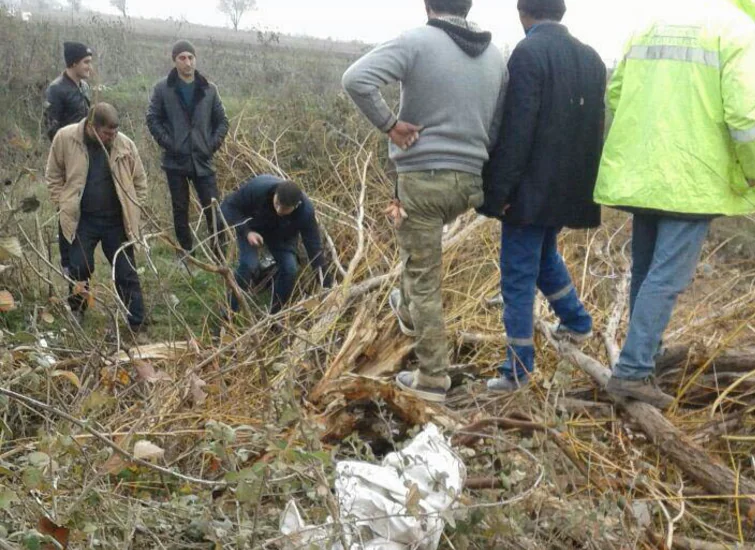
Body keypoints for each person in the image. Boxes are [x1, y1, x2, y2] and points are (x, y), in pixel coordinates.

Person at [596, 0, 755, 409]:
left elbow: (616, 94)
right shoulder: (735, 28)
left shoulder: (652, 21)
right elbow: (746, 115)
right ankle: (633, 370)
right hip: (692, 176)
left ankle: (645, 354)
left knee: (646, 271)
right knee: (667, 277)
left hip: (644, 171)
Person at [343, 0, 508, 403]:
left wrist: (389, 125)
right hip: (469, 182)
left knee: (424, 279)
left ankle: (433, 378)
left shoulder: (417, 41)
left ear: (427, 4)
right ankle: (407, 310)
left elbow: (355, 79)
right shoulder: (495, 55)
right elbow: (498, 123)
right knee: (416, 262)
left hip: (423, 179)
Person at [479, 0, 606, 393]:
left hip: (529, 191)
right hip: (567, 189)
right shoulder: (592, 59)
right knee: (545, 256)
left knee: (517, 278)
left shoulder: (529, 52)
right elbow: (594, 131)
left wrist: (498, 192)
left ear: (523, 13)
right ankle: (577, 323)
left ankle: (516, 371)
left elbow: (518, 130)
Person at [46, 103, 148, 342]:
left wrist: (134, 206)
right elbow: (53, 174)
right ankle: (78, 310)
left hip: (116, 221)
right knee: (79, 268)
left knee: (126, 272)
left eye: (114, 133)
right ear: (92, 126)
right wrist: (62, 203)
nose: (111, 138)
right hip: (83, 220)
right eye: (106, 133)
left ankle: (137, 323)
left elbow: (140, 181)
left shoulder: (125, 145)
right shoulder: (66, 138)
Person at [146, 40, 229, 257]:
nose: (187, 62)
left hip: (203, 159)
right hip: (176, 161)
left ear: (195, 59)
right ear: (174, 61)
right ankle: (186, 254)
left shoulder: (209, 89)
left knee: (213, 208)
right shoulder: (163, 88)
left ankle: (220, 253)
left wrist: (210, 146)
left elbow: (222, 122)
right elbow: (152, 118)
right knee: (180, 210)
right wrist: (170, 143)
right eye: (182, 58)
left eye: (191, 57)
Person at [220, 175, 333, 317]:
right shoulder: (259, 188)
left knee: (290, 269)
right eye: (277, 203)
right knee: (248, 264)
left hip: (281, 236)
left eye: (285, 208)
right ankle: (229, 311)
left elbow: (314, 248)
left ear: (296, 205)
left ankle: (275, 316)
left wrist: (326, 283)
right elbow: (228, 206)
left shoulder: (305, 213)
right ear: (275, 194)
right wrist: (247, 232)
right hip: (252, 229)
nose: (279, 210)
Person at [44, 41, 94, 276]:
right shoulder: (56, 89)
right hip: (66, 159)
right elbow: (51, 128)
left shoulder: (84, 87)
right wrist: (65, 155)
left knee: (83, 206)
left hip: (86, 158)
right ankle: (66, 262)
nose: (89, 67)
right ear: (73, 62)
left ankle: (81, 253)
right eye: (86, 62)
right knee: (66, 207)